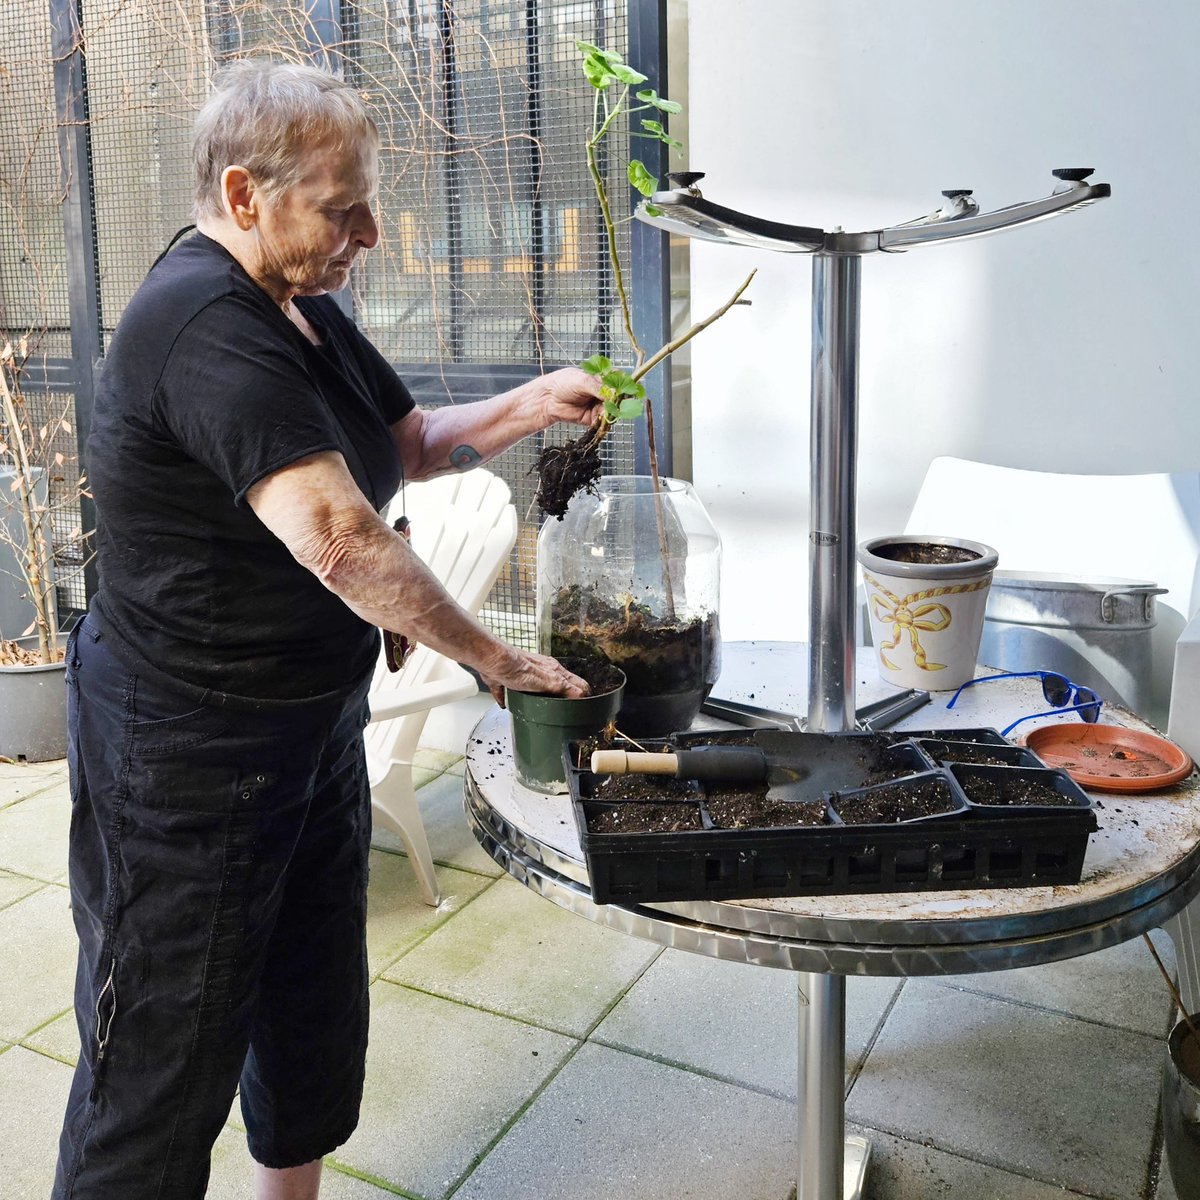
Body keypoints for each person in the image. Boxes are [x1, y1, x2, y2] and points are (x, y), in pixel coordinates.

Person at [53, 59, 600, 1200]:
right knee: (160, 1051)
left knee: (307, 1008)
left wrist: (525, 405)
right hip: (188, 757)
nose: (371, 230)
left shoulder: (300, 311)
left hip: (305, 729)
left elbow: (401, 445)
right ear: (246, 195)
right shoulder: (203, 325)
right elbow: (343, 540)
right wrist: (492, 658)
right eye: (343, 204)